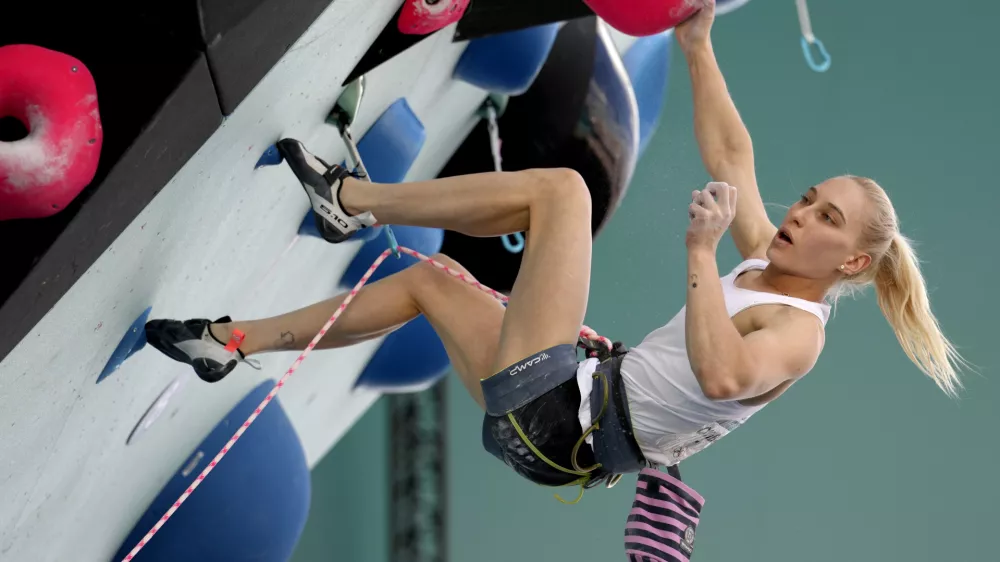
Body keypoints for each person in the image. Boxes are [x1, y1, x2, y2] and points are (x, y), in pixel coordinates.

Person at [145, 0, 966, 490]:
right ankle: (229, 342)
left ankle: (349, 199)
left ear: (853, 263)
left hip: (565, 418)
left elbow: (722, 374)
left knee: (564, 193)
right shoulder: (770, 262)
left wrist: (696, 249)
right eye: (814, 198)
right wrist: (696, 44)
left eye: (827, 220)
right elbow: (736, 157)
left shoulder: (795, 335)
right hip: (554, 427)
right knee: (426, 281)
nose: (803, 213)